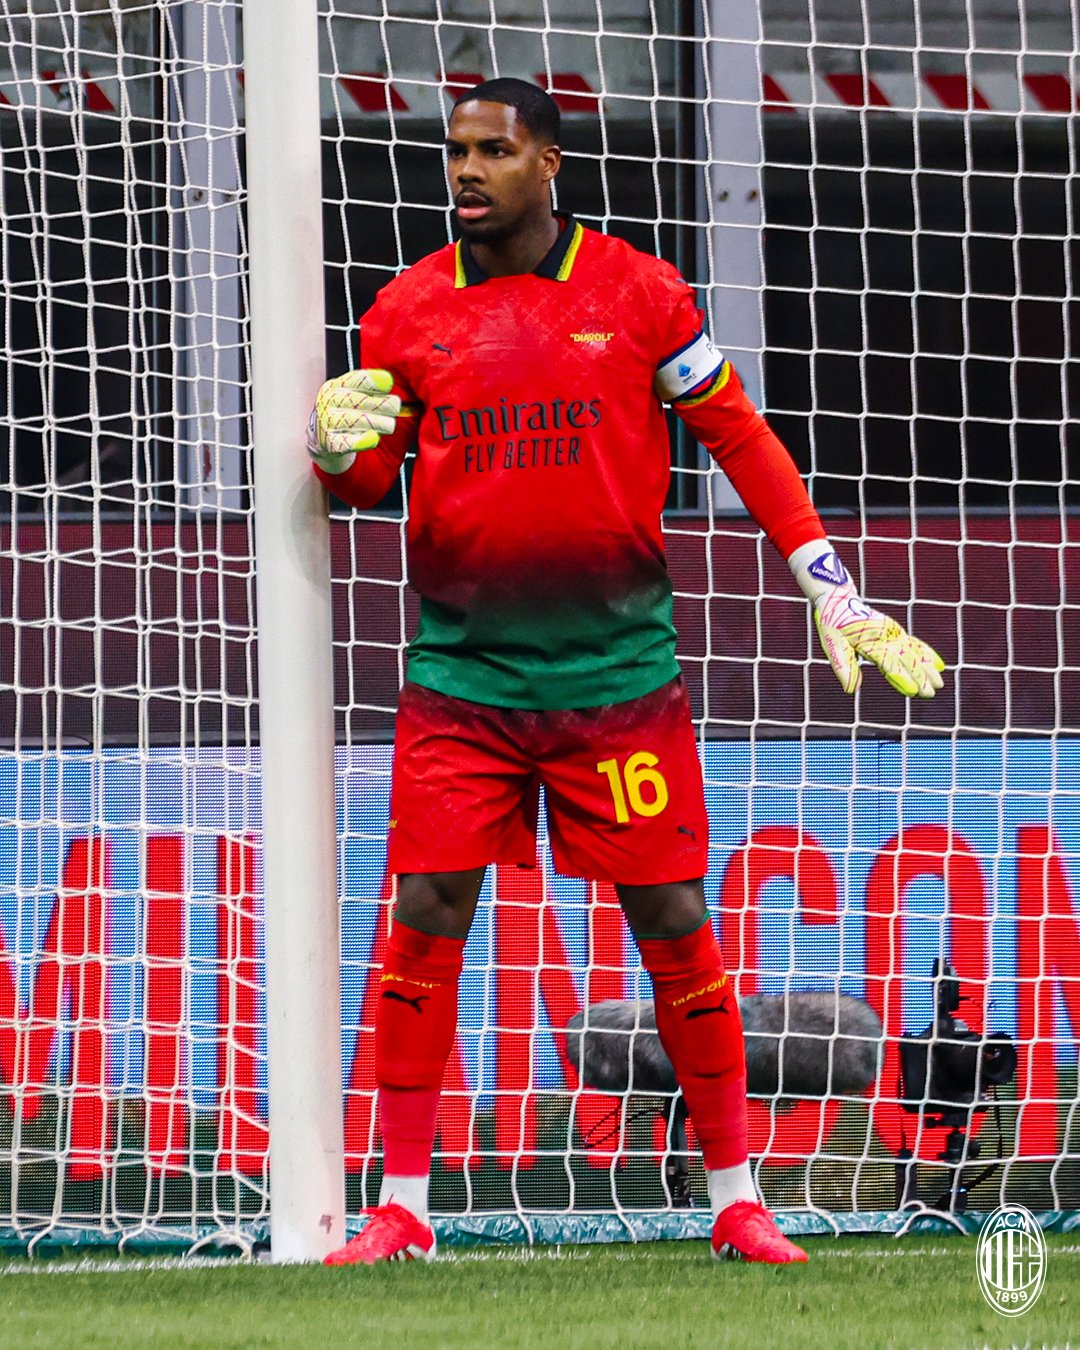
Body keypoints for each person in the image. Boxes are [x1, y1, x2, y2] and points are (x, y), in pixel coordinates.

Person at [308, 78, 944, 1267]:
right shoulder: (403, 313)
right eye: (456, 151)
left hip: (617, 682)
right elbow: (366, 484)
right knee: (425, 913)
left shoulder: (639, 294)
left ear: (549, 164)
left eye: (494, 150)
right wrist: (331, 448)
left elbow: (738, 434)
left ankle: (735, 1199)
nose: (467, 171)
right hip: (464, 680)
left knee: (673, 919)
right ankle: (401, 1205)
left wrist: (830, 585)